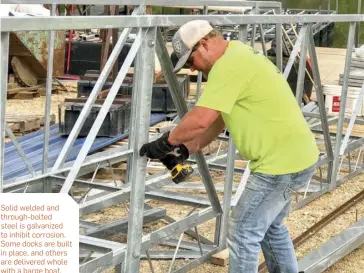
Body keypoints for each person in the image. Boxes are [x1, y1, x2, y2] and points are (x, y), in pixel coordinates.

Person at [139, 20, 319, 273]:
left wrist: (166, 141)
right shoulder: (239, 54)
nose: (193, 70)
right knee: (270, 227)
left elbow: (200, 119)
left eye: (191, 62)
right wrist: (188, 148)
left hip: (279, 166)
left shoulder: (228, 66)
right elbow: (218, 119)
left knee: (243, 232)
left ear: (204, 44)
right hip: (295, 156)